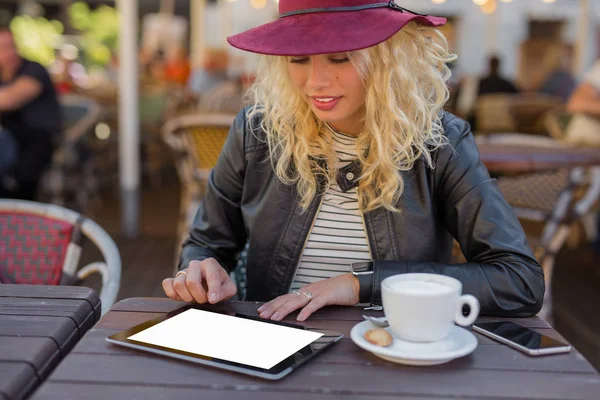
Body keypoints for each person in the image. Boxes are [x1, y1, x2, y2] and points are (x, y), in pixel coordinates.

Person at [162, 0, 545, 322]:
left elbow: (519, 281)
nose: (315, 82)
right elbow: (206, 242)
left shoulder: (440, 141)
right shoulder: (257, 131)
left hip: (391, 346)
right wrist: (201, 269)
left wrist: (361, 284)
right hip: (275, 344)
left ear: (387, 58)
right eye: (298, 59)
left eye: (339, 58)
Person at [0, 24, 61, 200]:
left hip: (38, 141)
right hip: (12, 142)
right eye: (3, 47)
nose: (10, 52)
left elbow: (8, 99)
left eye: (12, 45)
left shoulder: (34, 70)